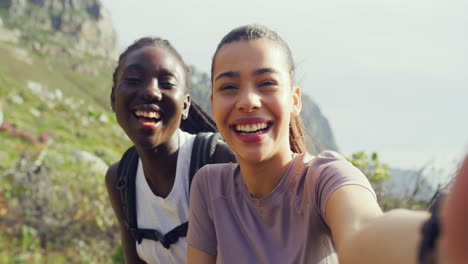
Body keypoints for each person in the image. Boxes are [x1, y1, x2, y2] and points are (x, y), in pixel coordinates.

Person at [186, 24, 468, 264]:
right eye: (229, 87)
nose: (248, 101)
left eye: (266, 83)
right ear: (212, 105)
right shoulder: (209, 187)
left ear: (295, 100)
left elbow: (361, 231)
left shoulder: (325, 178)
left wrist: (441, 241)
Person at [105, 37, 236, 264]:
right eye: (134, 79)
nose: (150, 92)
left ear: (185, 105)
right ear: (113, 98)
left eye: (166, 83)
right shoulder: (121, 179)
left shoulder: (218, 162)